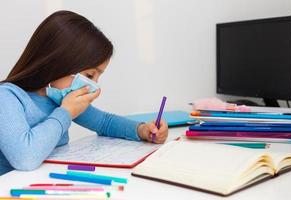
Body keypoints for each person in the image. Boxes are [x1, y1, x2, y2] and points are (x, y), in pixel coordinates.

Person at [0, 10, 168, 175]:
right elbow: (25, 158)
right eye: (89, 75)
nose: (94, 85)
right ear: (57, 62)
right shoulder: (7, 97)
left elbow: (104, 122)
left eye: (97, 77)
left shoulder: (58, 97)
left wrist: (142, 130)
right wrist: (66, 112)